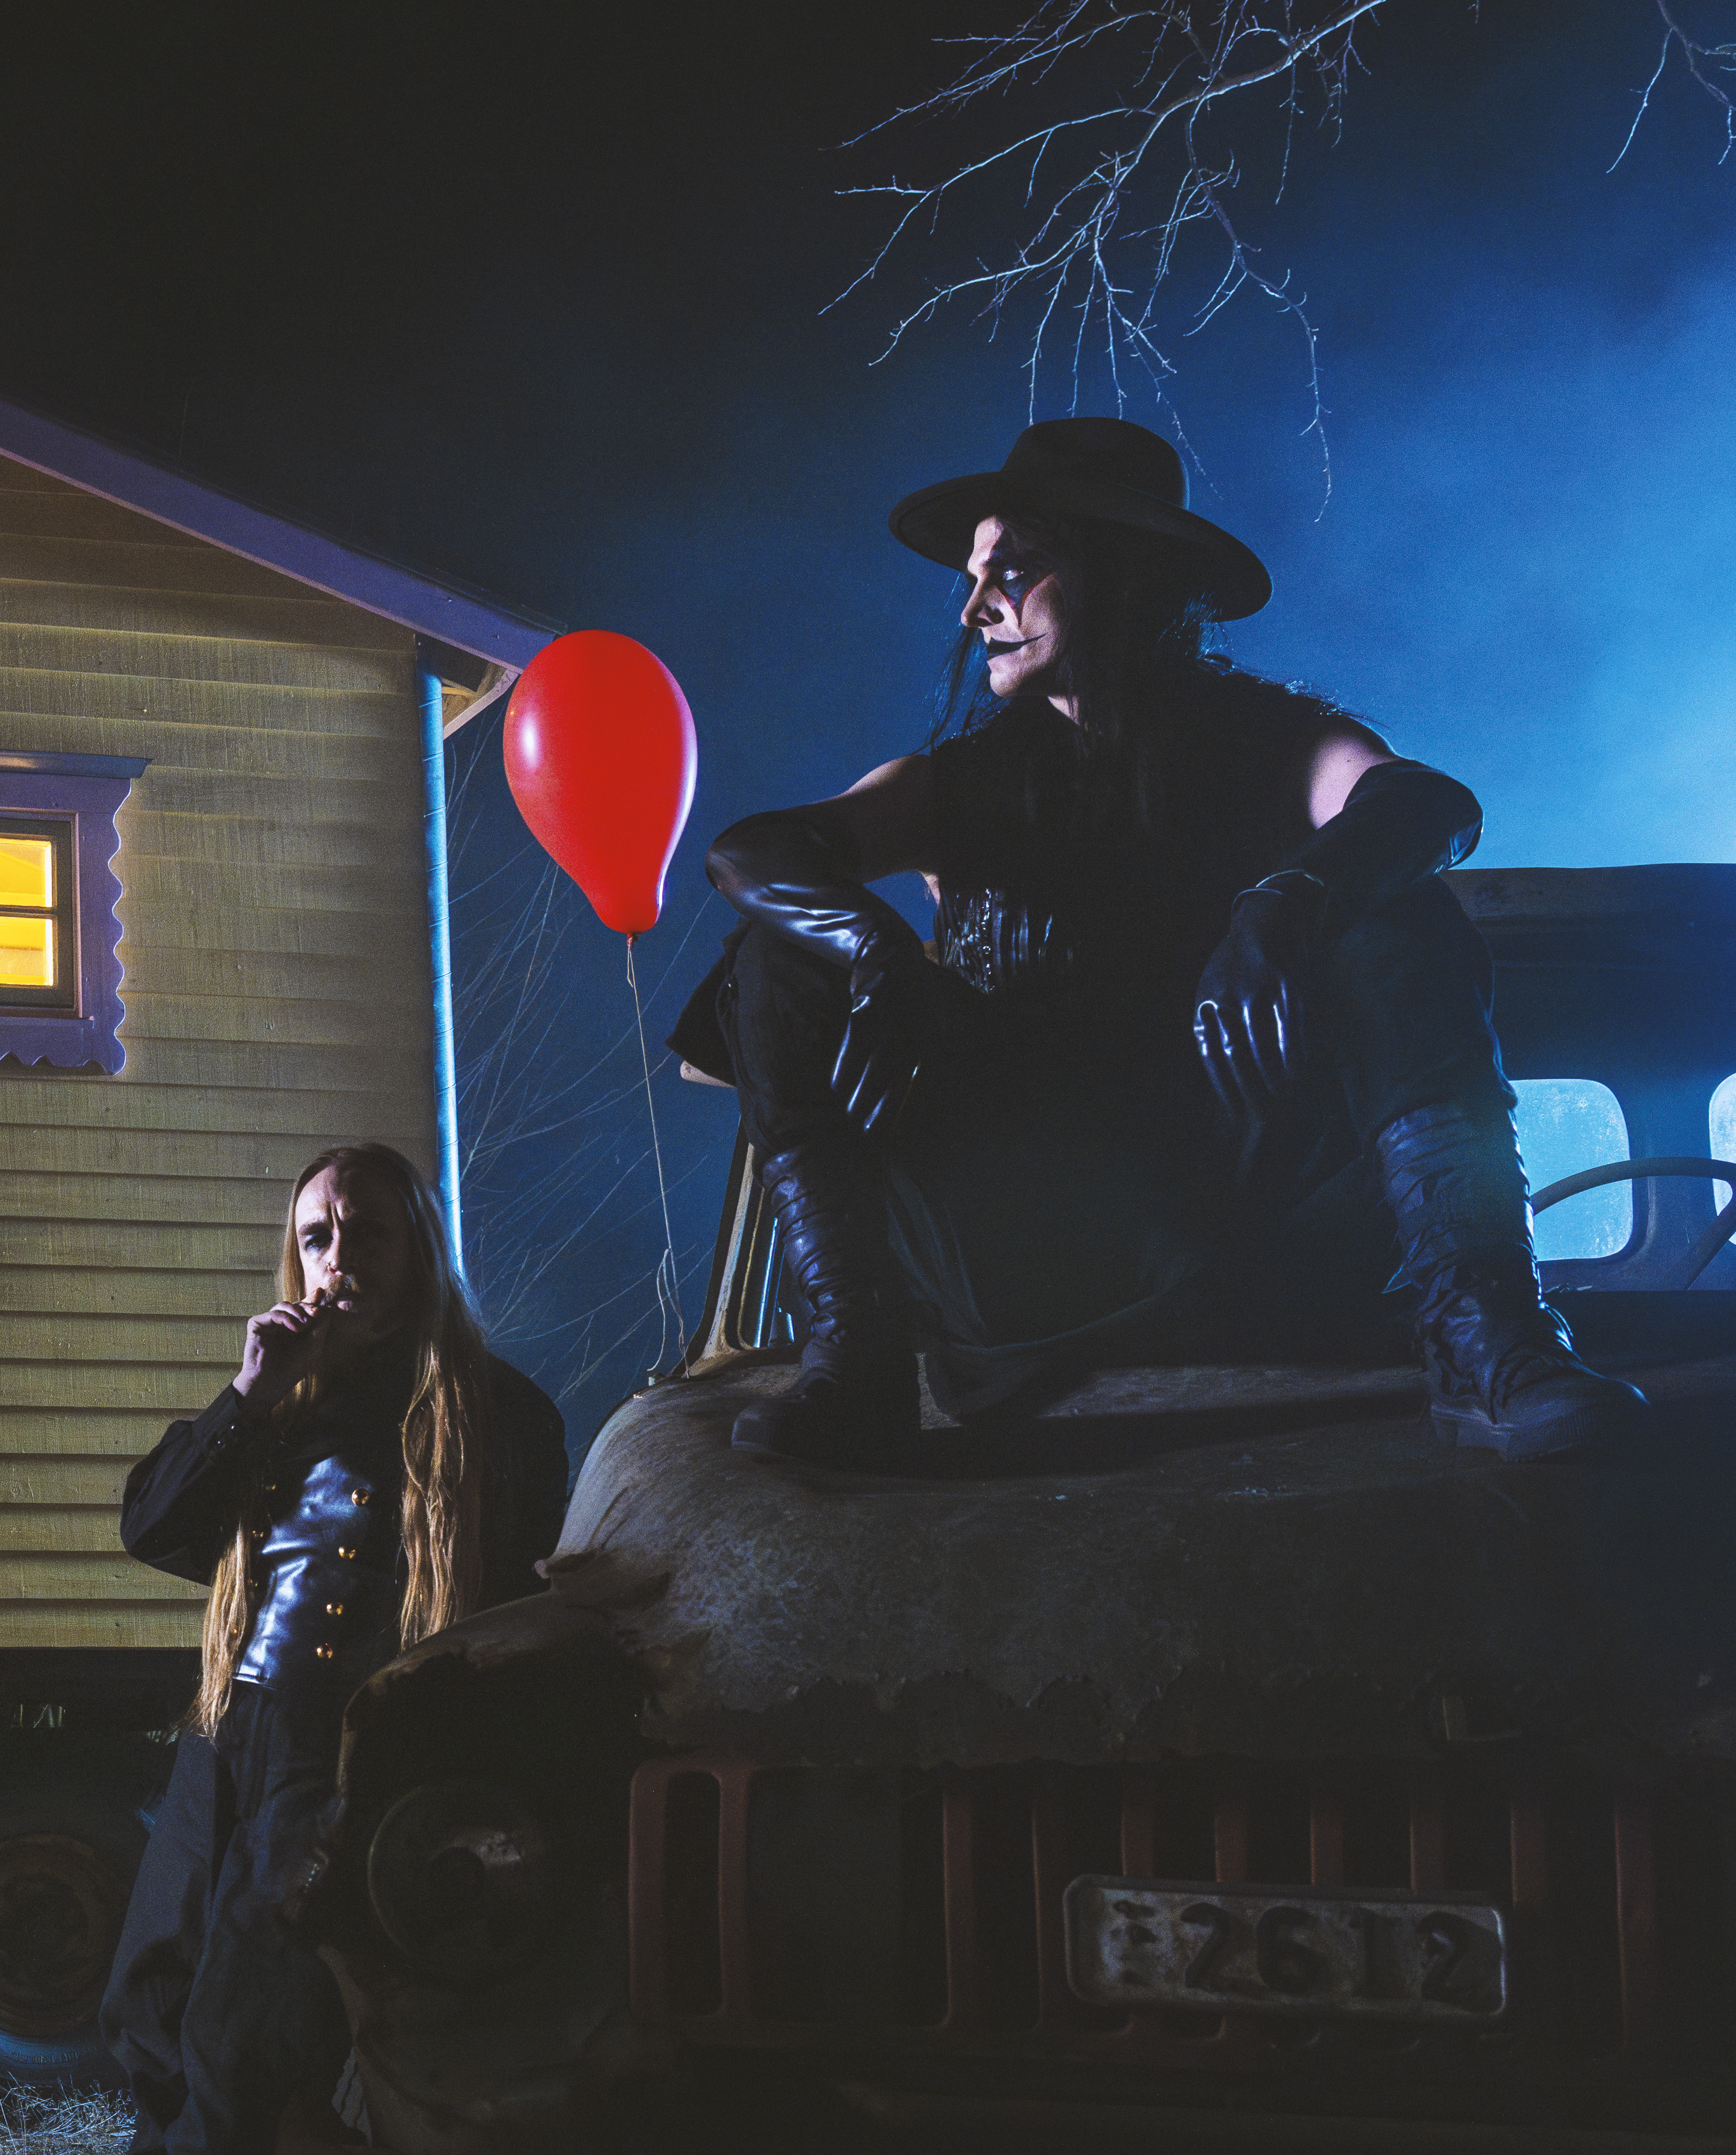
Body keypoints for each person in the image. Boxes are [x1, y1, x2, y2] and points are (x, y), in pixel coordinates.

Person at [672, 415, 1642, 1468]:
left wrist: (1285, 902)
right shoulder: (955, 786)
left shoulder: (1277, 744)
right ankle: (855, 1365)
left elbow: (1426, 803)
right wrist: (875, 950)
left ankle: (1487, 1341)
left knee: (1397, 914)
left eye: (1013, 571)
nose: (974, 606)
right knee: (773, 954)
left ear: (1120, 572)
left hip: (1249, 1239)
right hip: (1024, 1249)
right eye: (972, 577)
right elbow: (750, 850)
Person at [0, 1141, 568, 2155]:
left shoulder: (497, 1413)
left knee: (229, 2094)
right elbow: (153, 1523)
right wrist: (245, 1392)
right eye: (315, 1235)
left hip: (350, 1770)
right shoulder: (281, 1401)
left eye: (365, 1232)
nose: (338, 1259)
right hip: (226, 1750)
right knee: (157, 2050)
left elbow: (525, 1620)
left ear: (416, 1247)